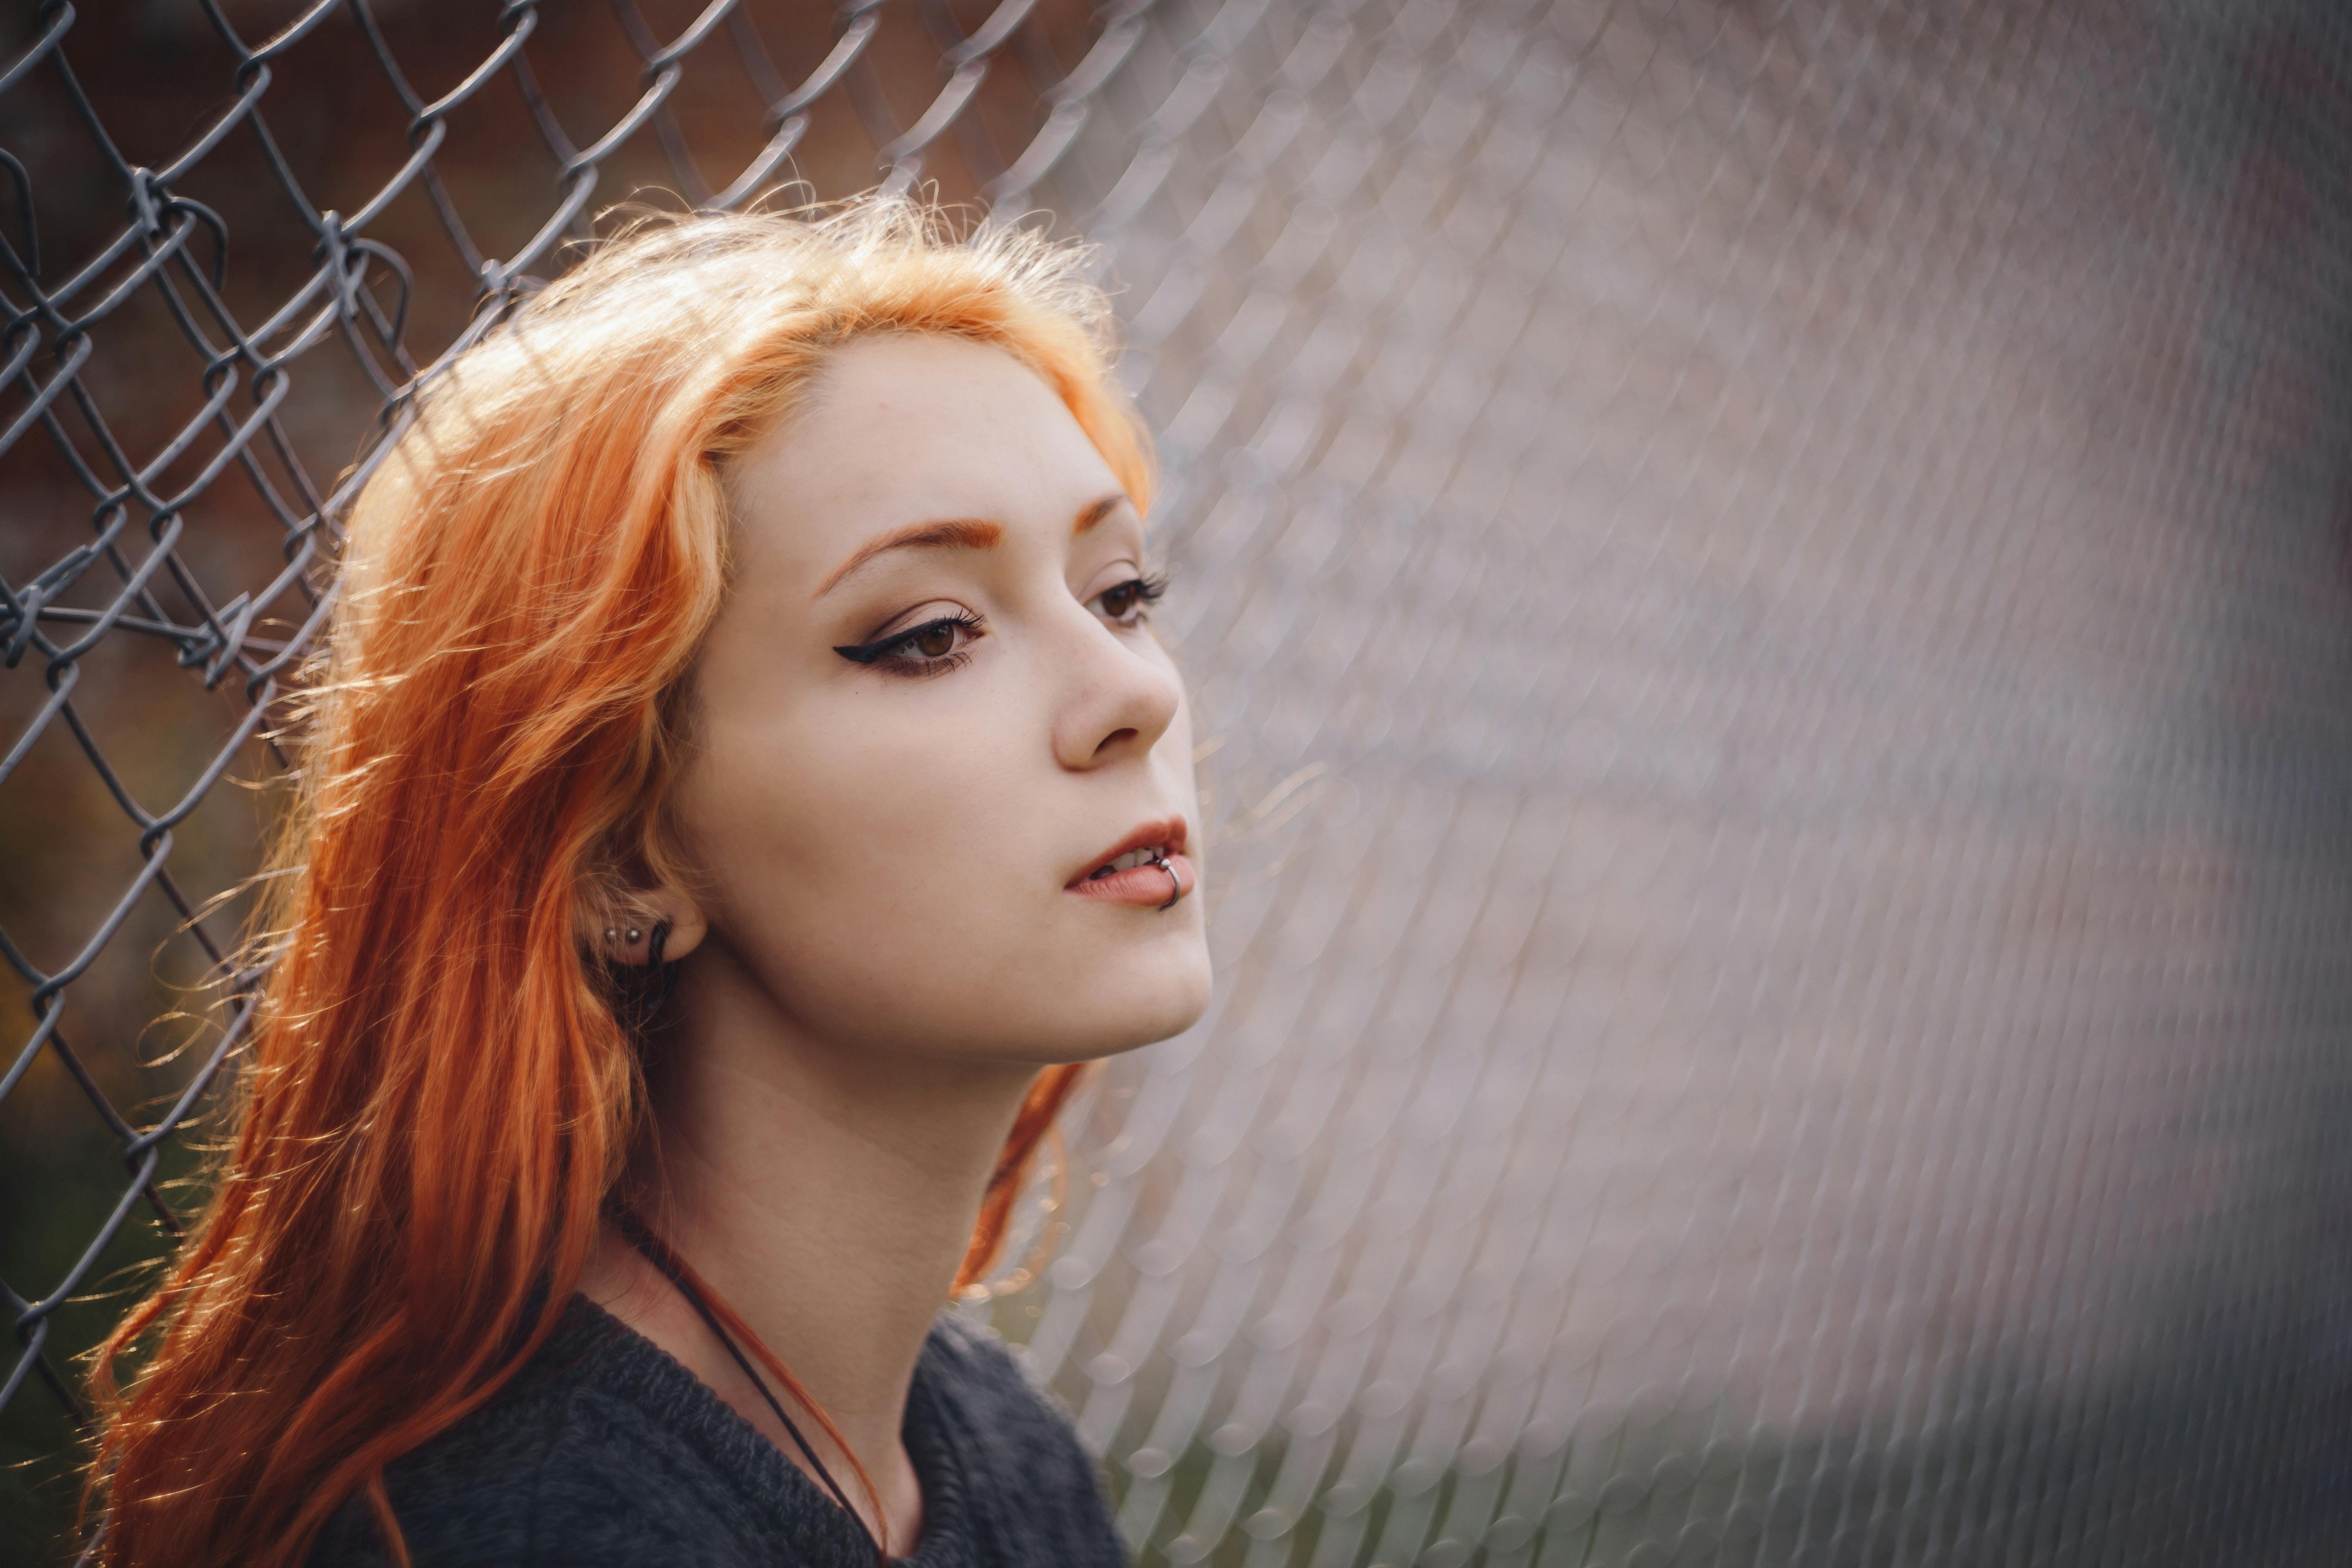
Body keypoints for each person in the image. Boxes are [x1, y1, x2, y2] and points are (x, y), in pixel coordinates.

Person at [80, 195, 1213, 1568]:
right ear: (625, 855)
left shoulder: (1001, 1453)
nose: (1134, 693)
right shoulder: (511, 1534)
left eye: (1120, 593)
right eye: (929, 635)